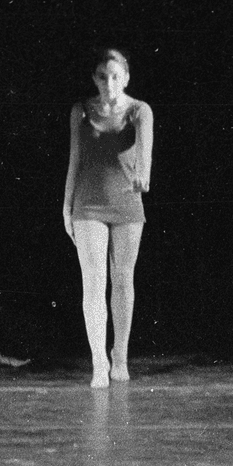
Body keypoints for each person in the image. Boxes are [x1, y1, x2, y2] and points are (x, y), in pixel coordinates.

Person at [61, 47, 153, 388]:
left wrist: (143, 175)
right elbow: (74, 158)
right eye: (102, 77)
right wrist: (66, 205)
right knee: (94, 283)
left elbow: (145, 154)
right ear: (94, 79)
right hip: (88, 204)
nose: (109, 83)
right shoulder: (81, 111)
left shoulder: (140, 110)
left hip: (127, 204)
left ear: (126, 78)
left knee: (123, 279)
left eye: (115, 76)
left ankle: (120, 356)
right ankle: (98, 361)